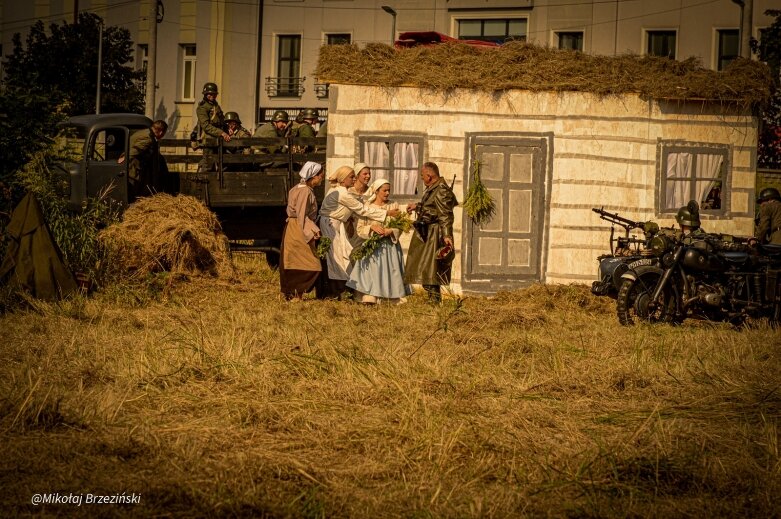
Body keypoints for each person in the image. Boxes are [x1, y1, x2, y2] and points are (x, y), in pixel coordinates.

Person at [318, 165, 399, 298]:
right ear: (343, 179)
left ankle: (339, 291)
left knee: (342, 257)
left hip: (337, 224)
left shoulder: (340, 191)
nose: (354, 178)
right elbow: (362, 210)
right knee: (335, 259)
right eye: (351, 177)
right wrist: (387, 212)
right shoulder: (342, 193)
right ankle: (335, 292)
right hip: (331, 225)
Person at [346, 179, 411, 304]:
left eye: (388, 190)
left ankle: (392, 297)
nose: (387, 193)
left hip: (389, 246)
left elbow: (401, 225)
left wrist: (390, 230)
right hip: (372, 245)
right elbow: (360, 229)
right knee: (371, 271)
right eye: (384, 190)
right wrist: (371, 227)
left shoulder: (393, 206)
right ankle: (370, 296)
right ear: (376, 191)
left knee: (390, 271)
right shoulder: (368, 207)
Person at [403, 162, 458, 303]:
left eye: (422, 176)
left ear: (429, 175)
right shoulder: (433, 188)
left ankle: (434, 301)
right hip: (427, 232)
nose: (421, 178)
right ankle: (433, 300)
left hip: (434, 234)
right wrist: (417, 206)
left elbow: (445, 214)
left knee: (430, 270)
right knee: (426, 269)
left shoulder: (441, 190)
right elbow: (432, 206)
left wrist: (446, 235)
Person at [280, 162, 325, 300]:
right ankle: (295, 294)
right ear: (314, 176)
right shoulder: (304, 191)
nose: (322, 179)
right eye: (320, 176)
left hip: (294, 226)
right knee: (309, 263)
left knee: (294, 260)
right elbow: (301, 214)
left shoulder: (297, 188)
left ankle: (294, 294)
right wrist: (312, 231)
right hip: (299, 228)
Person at [119, 119, 168, 199]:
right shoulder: (148, 138)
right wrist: (124, 158)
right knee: (133, 195)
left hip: (132, 167)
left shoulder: (145, 132)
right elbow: (136, 150)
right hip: (132, 169)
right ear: (161, 132)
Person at [196, 82, 230, 172]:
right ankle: (202, 184)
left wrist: (227, 128)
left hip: (219, 139)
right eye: (210, 94)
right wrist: (221, 133)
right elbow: (206, 126)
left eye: (214, 94)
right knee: (208, 166)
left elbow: (221, 120)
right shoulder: (202, 108)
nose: (212, 96)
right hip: (209, 141)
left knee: (222, 164)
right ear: (206, 94)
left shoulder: (216, 106)